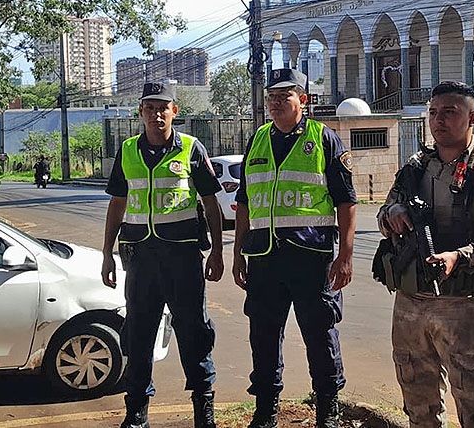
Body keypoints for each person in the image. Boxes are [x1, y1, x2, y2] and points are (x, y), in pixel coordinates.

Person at [376, 81, 474, 428]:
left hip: (466, 305)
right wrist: (393, 214)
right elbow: (383, 214)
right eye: (433, 112)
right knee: (418, 407)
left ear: (472, 118)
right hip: (412, 304)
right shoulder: (415, 169)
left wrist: (460, 257)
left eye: (449, 112)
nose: (438, 120)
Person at [232, 68, 357, 428]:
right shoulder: (257, 140)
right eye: (270, 97)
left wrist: (345, 256)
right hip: (264, 260)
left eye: (284, 96)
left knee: (319, 336)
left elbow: (347, 203)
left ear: (303, 100)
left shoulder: (324, 139)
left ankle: (327, 410)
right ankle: (266, 410)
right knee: (264, 337)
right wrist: (239, 251)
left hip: (312, 259)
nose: (275, 103)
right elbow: (244, 203)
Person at [101, 82, 225, 428]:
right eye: (149, 108)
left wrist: (217, 250)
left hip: (182, 257)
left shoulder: (190, 148)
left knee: (194, 331)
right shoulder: (127, 151)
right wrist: (107, 253)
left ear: (175, 111)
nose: (156, 114)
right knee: (139, 333)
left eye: (163, 107)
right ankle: (137, 413)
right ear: (141, 112)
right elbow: (117, 204)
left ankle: (204, 409)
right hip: (140, 258)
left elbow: (211, 202)